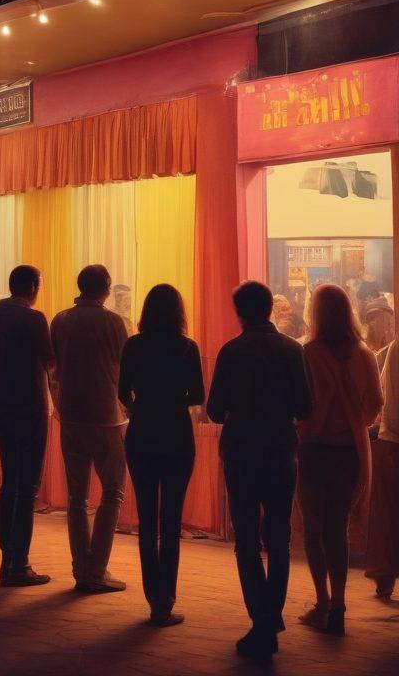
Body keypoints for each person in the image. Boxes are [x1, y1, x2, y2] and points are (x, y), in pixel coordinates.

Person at [207, 280, 312, 660]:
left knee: (247, 541)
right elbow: (305, 407)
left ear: (240, 312)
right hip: (281, 450)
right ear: (270, 308)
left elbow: (215, 410)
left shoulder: (231, 352)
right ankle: (272, 615)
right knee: (279, 539)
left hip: (241, 452)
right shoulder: (292, 350)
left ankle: (262, 620)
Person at [296, 284, 383, 635]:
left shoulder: (307, 353)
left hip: (314, 450)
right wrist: (354, 421)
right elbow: (376, 405)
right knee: (339, 528)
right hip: (350, 451)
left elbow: (298, 406)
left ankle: (321, 600)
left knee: (313, 528)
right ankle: (340, 603)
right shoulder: (364, 354)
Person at [119, 284, 205, 627]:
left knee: (146, 516)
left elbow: (122, 391)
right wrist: (172, 400)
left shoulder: (134, 345)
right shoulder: (187, 348)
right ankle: (165, 600)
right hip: (176, 433)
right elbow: (197, 394)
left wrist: (140, 405)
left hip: (141, 433)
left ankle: (151, 594)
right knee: (171, 521)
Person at [50, 264, 128, 594]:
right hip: (108, 416)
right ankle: (97, 569)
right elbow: (125, 369)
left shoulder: (61, 320)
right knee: (112, 493)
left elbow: (52, 366)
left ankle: (81, 568)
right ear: (107, 290)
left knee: (76, 497)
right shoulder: (114, 322)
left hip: (70, 414)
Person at [0, 264, 53, 586]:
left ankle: (6, 558)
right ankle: (19, 563)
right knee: (27, 487)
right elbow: (50, 361)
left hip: (2, 406)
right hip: (31, 407)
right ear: (33, 287)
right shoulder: (34, 319)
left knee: (9, 484)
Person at [366, 336, 399, 599]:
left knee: (388, 515)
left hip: (391, 438)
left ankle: (385, 577)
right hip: (393, 440)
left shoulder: (394, 349)